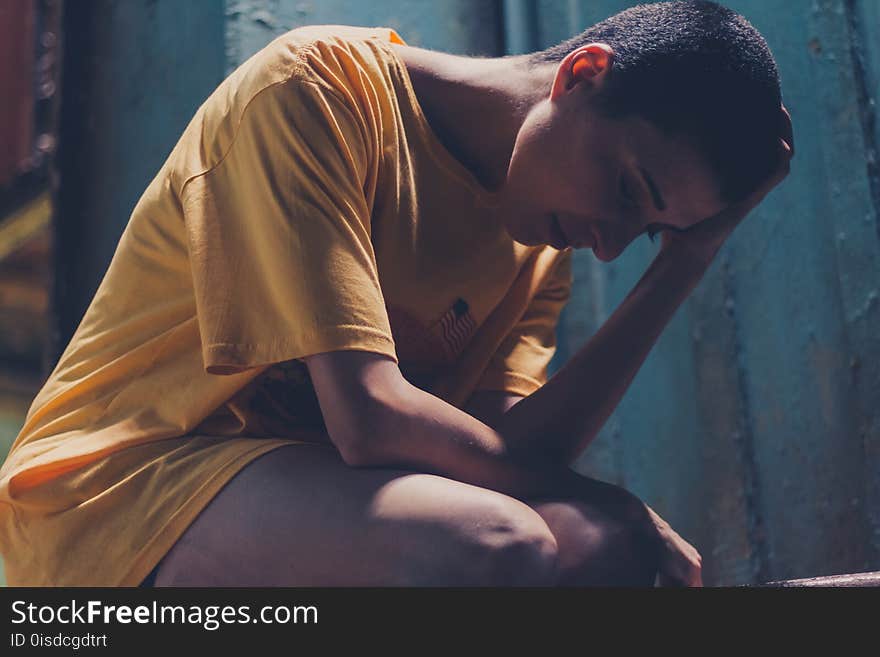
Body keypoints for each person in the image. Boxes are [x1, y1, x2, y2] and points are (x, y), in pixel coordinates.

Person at [0, 0, 792, 587]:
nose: (612, 242)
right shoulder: (317, 92)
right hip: (108, 496)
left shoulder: (540, 249)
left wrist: (688, 262)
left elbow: (502, 454)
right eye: (627, 190)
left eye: (649, 230)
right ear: (582, 76)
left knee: (598, 548)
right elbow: (371, 421)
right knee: (497, 543)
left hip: (290, 501)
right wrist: (606, 496)